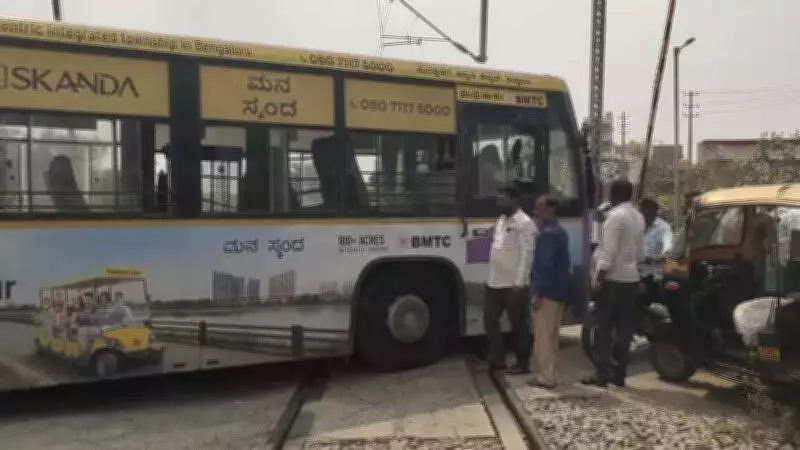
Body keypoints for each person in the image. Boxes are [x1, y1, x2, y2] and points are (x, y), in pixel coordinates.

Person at [582, 178, 645, 387]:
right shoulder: (638, 216)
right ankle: (619, 374)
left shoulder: (614, 218)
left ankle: (602, 373)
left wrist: (598, 278)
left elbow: (608, 251)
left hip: (613, 279)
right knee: (625, 330)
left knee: (603, 328)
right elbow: (640, 253)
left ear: (613, 194)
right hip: (631, 278)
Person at [484, 186, 537, 372]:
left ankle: (523, 363)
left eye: (503, 200)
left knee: (519, 325)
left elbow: (527, 254)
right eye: (498, 199)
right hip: (494, 282)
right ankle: (497, 359)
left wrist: (519, 283)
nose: (499, 203)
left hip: (513, 285)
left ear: (515, 201)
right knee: (490, 320)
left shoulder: (524, 223)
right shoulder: (501, 220)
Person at [527, 195, 571, 389]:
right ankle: (554, 373)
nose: (536, 213)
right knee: (553, 336)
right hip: (559, 291)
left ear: (550, 210)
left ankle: (546, 377)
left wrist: (537, 293)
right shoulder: (561, 232)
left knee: (543, 336)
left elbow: (543, 267)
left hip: (546, 293)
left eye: (539, 209)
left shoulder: (546, 235)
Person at [639, 197, 674, 302]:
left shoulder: (664, 228)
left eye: (644, 213)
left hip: (652, 276)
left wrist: (652, 259)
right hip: (633, 275)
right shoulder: (636, 226)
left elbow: (668, 250)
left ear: (653, 213)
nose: (641, 216)